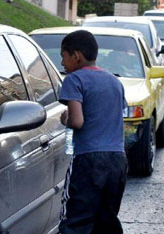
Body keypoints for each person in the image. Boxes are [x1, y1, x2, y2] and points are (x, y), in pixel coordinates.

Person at [58, 30, 128, 234]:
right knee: (106, 220)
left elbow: (77, 121)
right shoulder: (115, 81)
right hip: (117, 161)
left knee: (76, 221)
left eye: (63, 56)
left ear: (76, 56)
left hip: (88, 160)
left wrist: (66, 118)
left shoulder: (74, 80)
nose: (62, 63)